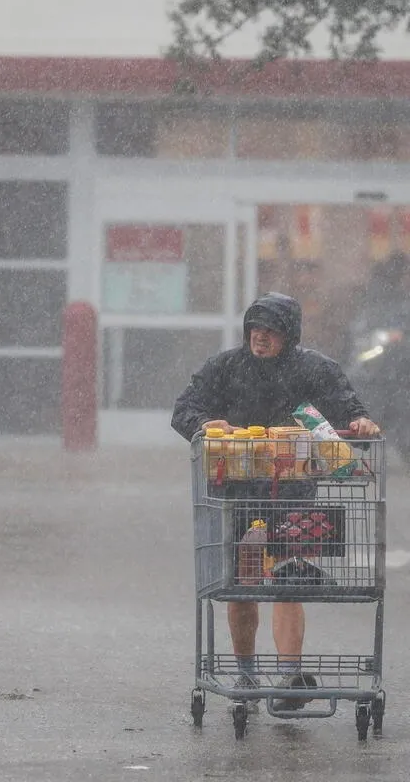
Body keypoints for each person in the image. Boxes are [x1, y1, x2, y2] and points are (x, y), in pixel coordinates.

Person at [171, 291, 380, 710]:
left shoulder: (314, 370)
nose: (260, 338)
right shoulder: (225, 368)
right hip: (235, 494)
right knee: (241, 586)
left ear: (290, 335)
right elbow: (184, 410)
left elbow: (347, 408)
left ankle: (288, 676)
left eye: (271, 331)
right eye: (255, 329)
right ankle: (247, 675)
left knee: (290, 579)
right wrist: (202, 423)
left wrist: (358, 421)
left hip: (294, 493)